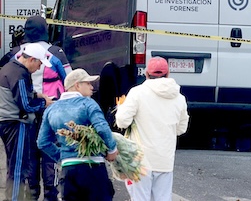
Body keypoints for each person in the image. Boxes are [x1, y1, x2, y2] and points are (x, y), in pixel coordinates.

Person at [0, 15, 72, 201]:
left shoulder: (14, 54)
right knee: (50, 157)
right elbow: (70, 81)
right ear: (46, 30)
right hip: (50, 111)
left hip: (24, 117)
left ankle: (31, 196)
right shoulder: (56, 53)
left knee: (28, 159)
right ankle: (50, 196)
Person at [37, 68, 118, 201]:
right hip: (93, 168)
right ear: (77, 85)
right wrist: (112, 149)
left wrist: (62, 156)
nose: (92, 87)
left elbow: (42, 142)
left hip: (68, 170)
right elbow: (102, 128)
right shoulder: (88, 104)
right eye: (88, 83)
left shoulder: (51, 109)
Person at [116, 56, 189, 201]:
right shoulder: (179, 98)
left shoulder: (137, 93)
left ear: (147, 74)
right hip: (165, 161)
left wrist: (121, 108)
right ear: (168, 74)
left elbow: (122, 122)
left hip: (140, 160)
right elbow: (181, 129)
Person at [0, 42, 54, 201]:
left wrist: (37, 94)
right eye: (39, 64)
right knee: (18, 168)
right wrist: (45, 103)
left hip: (5, 121)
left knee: (13, 165)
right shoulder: (19, 74)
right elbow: (26, 105)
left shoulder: (9, 68)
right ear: (31, 59)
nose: (39, 68)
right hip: (16, 124)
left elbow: (23, 94)